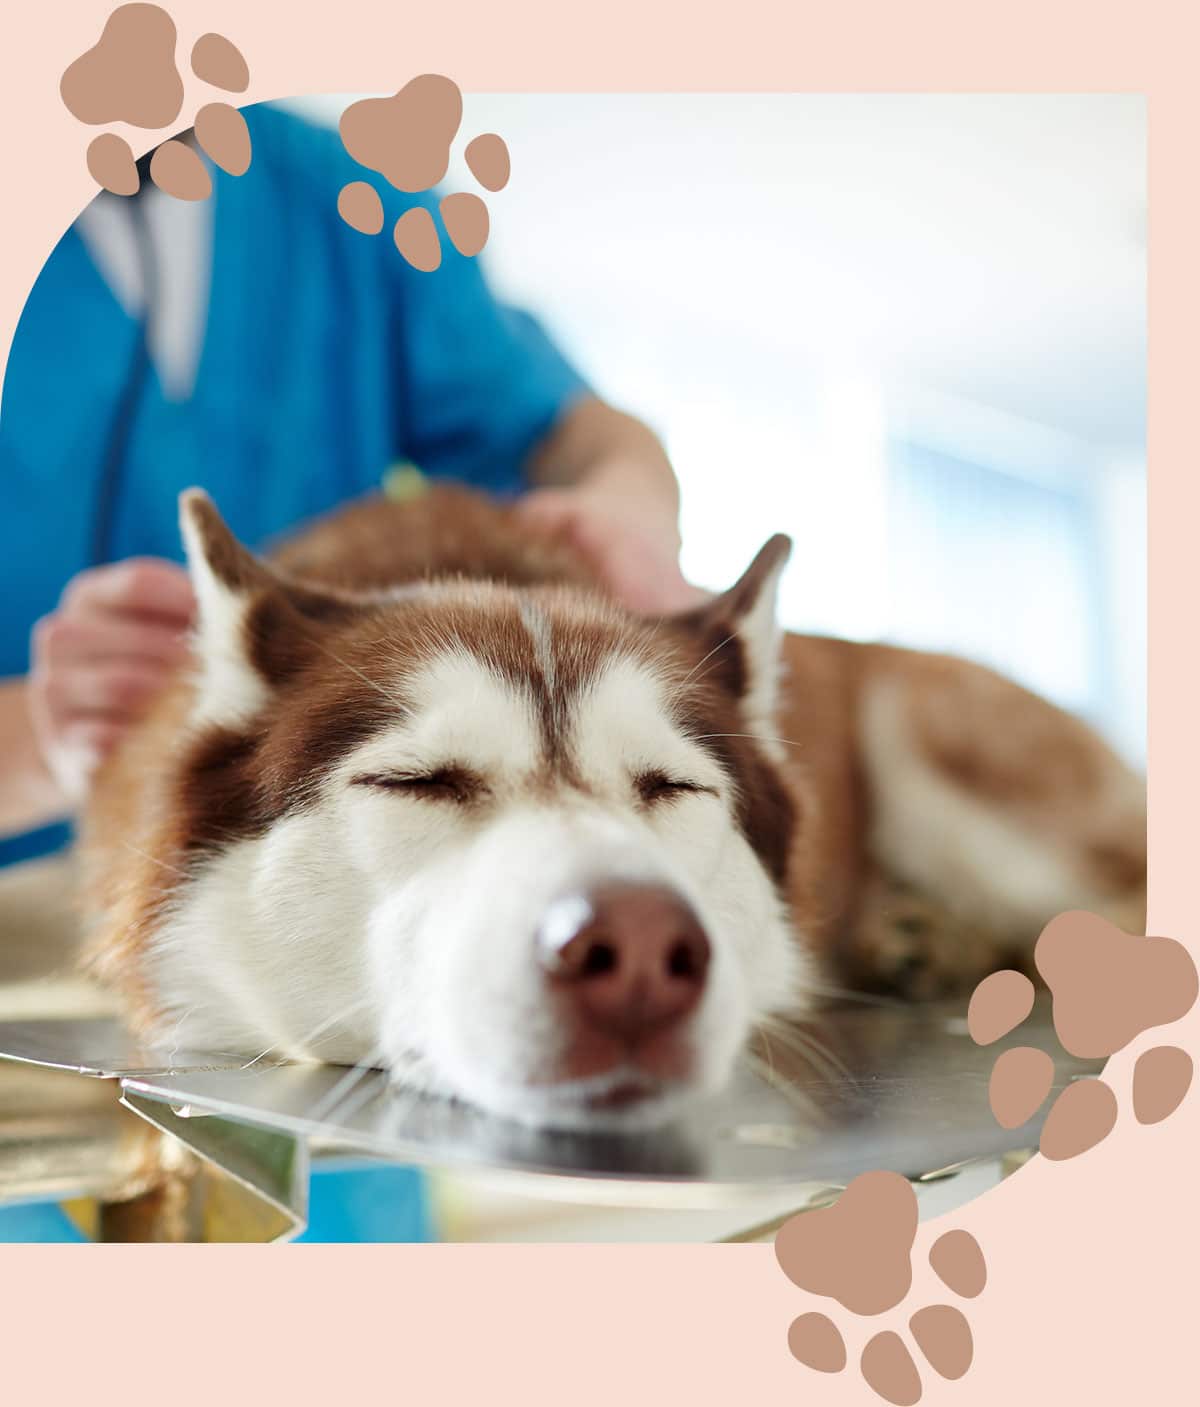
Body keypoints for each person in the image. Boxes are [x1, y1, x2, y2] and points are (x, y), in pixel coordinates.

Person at [0, 102, 697, 1241]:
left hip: (340, 1010)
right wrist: (41, 739)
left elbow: (589, 437)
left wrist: (626, 512)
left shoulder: (344, 197)